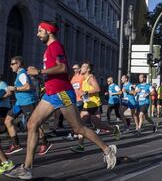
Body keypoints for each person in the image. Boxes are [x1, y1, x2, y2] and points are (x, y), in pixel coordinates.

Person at [4, 21, 117, 180]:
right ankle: (27, 168)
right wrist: (47, 79)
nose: (37, 34)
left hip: (62, 93)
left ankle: (107, 150)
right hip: (51, 94)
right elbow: (68, 72)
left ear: (48, 32)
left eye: (40, 31)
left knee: (78, 128)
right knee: (32, 124)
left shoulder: (55, 46)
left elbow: (63, 68)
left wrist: (40, 71)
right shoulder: (49, 49)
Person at [5, 56, 51, 156]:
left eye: (12, 64)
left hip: (28, 102)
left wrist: (14, 88)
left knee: (34, 124)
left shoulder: (22, 74)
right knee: (8, 120)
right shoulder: (19, 74)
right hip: (19, 103)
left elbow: (28, 86)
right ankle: (16, 144)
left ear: (18, 64)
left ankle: (45, 142)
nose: (10, 66)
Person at [71, 62, 121, 153]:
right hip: (87, 105)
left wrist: (85, 92)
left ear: (88, 69)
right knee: (81, 125)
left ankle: (114, 129)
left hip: (95, 105)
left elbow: (97, 89)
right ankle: (80, 145)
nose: (81, 68)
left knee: (98, 125)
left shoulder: (91, 77)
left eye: (83, 67)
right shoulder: (84, 79)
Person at [64, 64, 84, 141]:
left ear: (79, 69)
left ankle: (73, 134)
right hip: (73, 99)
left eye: (76, 68)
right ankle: (76, 133)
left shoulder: (82, 77)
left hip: (80, 100)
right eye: (73, 69)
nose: (74, 70)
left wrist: (84, 96)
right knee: (76, 118)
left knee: (75, 118)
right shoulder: (73, 77)